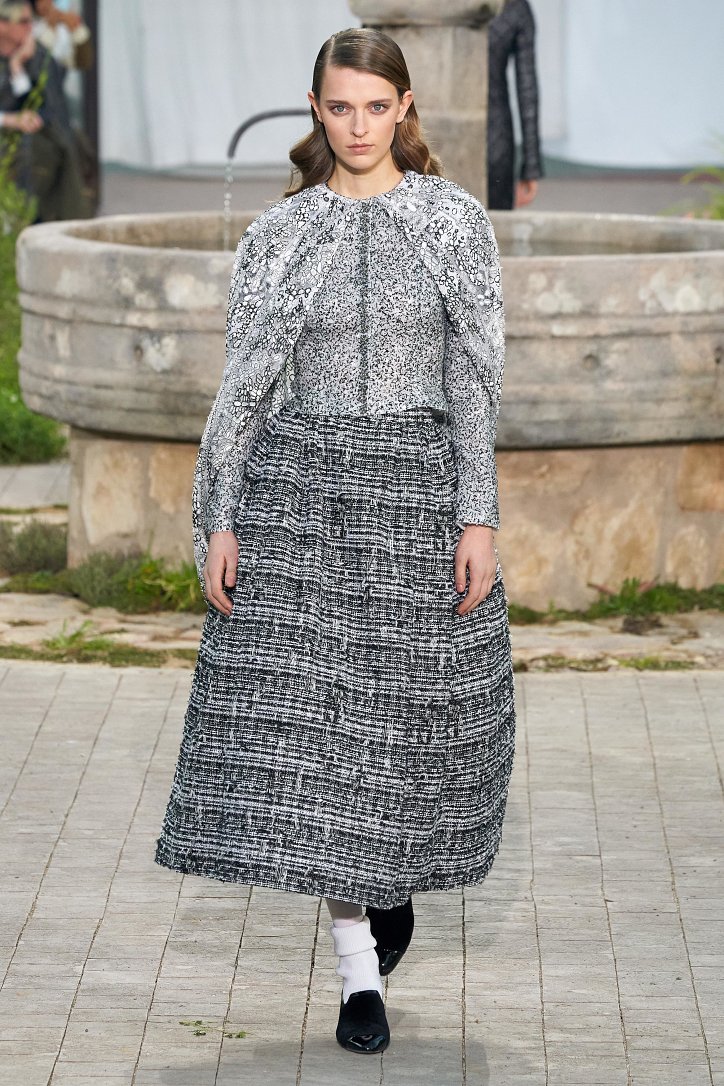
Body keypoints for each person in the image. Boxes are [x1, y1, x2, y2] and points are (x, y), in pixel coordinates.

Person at [155, 27, 516, 1056]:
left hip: (413, 492)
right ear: (316, 110)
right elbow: (244, 387)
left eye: (376, 106)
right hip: (299, 497)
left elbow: (473, 380)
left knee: (406, 729)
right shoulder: (281, 235)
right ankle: (359, 974)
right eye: (340, 107)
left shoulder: (453, 223)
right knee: (317, 745)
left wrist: (478, 512)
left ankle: (387, 882)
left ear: (405, 108)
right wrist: (219, 518)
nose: (358, 126)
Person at [0, 0, 89, 220]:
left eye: (31, 21)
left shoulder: (37, 53)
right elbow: (14, 107)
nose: (30, 27)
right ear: (2, 25)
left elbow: (39, 103)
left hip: (41, 142)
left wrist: (18, 66)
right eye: (23, 22)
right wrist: (10, 119)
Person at [487, 0, 543, 210]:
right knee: (492, 225)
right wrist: (530, 166)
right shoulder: (515, 8)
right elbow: (527, 89)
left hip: (439, 133)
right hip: (496, 139)